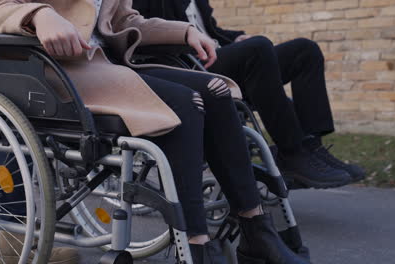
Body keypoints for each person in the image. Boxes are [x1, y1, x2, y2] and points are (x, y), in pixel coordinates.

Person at [0, 0, 310, 263]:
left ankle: (256, 233)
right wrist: (40, 15)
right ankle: (195, 248)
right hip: (60, 74)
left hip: (109, 69)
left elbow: (127, 21)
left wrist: (185, 33)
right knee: (187, 103)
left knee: (216, 90)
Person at [132, 0, 366, 189]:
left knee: (304, 51)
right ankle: (291, 153)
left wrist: (235, 38)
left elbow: (210, 30)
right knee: (258, 49)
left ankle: (311, 147)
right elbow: (141, 30)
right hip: (187, 67)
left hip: (217, 57)